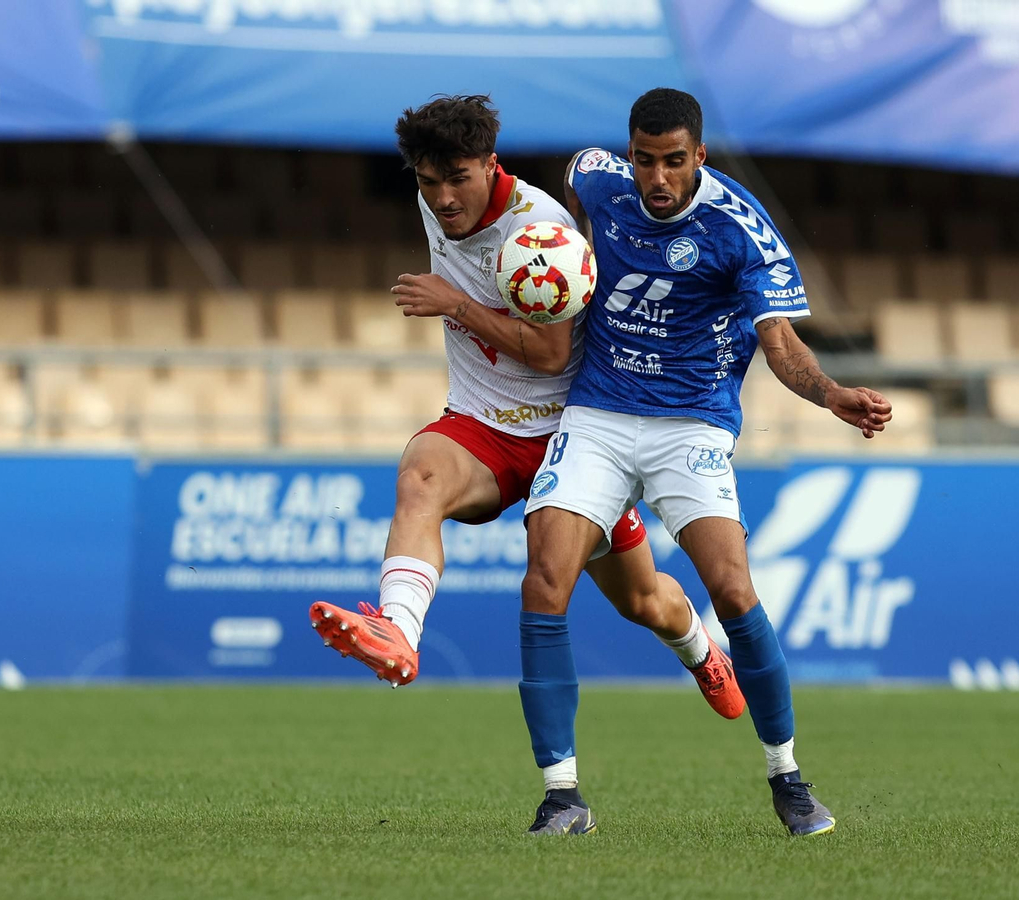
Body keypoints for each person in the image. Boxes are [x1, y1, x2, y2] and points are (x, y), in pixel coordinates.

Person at [306, 96, 744, 822]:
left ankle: (701, 650)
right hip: (480, 425)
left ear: (489, 165)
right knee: (419, 474)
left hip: (569, 439)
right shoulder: (439, 203)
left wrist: (455, 303)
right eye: (426, 180)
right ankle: (399, 634)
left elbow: (547, 353)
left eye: (457, 177)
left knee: (644, 600)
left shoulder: (540, 230)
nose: (443, 197)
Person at [519, 88, 893, 837]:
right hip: (598, 411)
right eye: (646, 161)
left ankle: (787, 775)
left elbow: (781, 346)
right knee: (546, 578)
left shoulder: (740, 231)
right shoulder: (601, 179)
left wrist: (831, 395)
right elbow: (575, 171)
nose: (658, 178)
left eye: (674, 162)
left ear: (700, 159)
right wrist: (576, 247)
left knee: (731, 588)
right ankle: (563, 796)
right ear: (631, 155)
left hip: (691, 422)